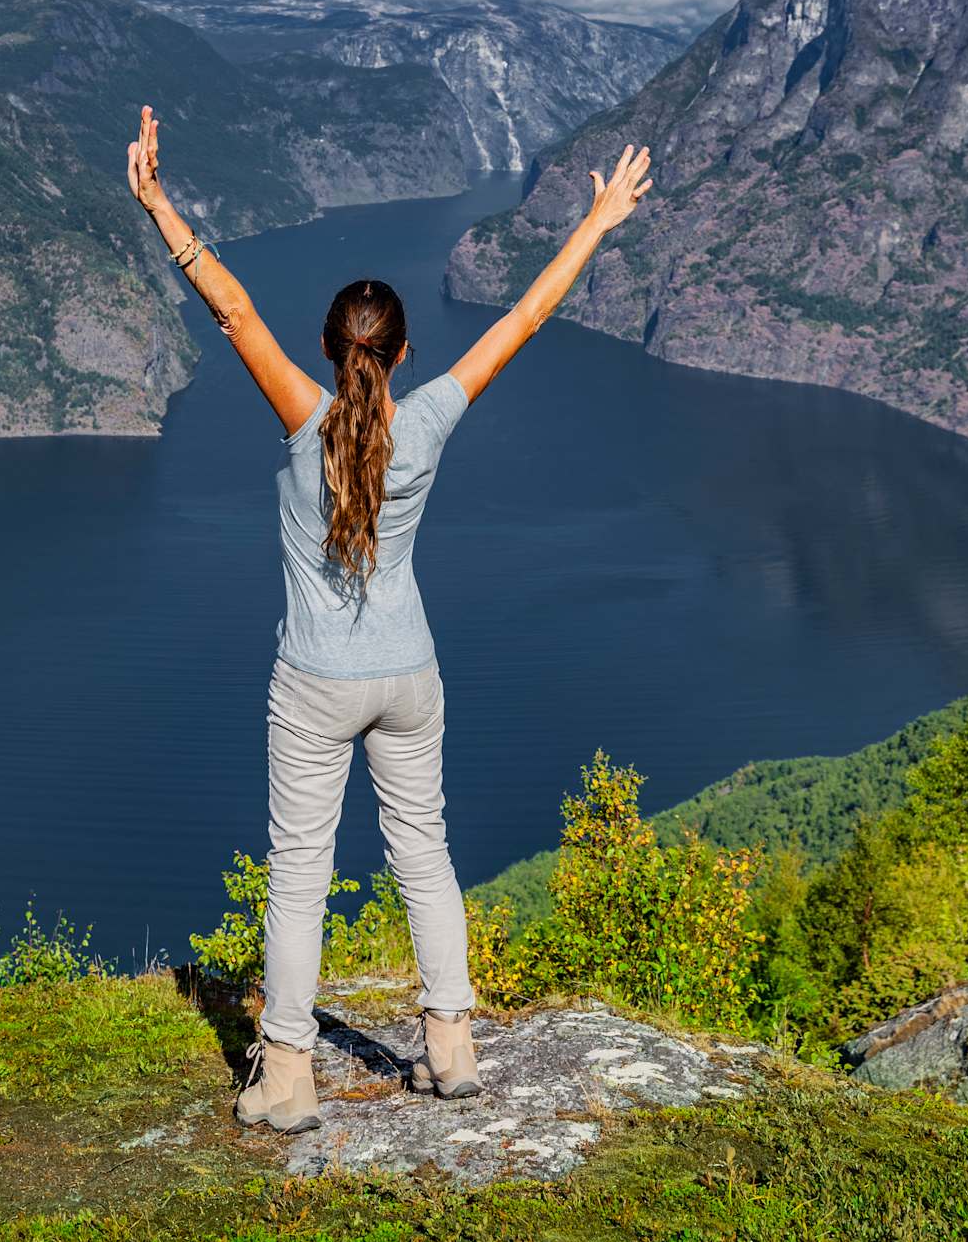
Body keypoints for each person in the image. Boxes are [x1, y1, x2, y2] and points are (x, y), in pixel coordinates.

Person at [126, 103, 653, 1134]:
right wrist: (595, 224)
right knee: (425, 852)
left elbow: (231, 310)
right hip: (410, 676)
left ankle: (286, 1077)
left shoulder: (302, 418)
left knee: (301, 877)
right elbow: (523, 321)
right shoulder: (431, 422)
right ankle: (450, 1047)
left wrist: (155, 201)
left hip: (315, 683)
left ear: (331, 352)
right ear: (403, 355)